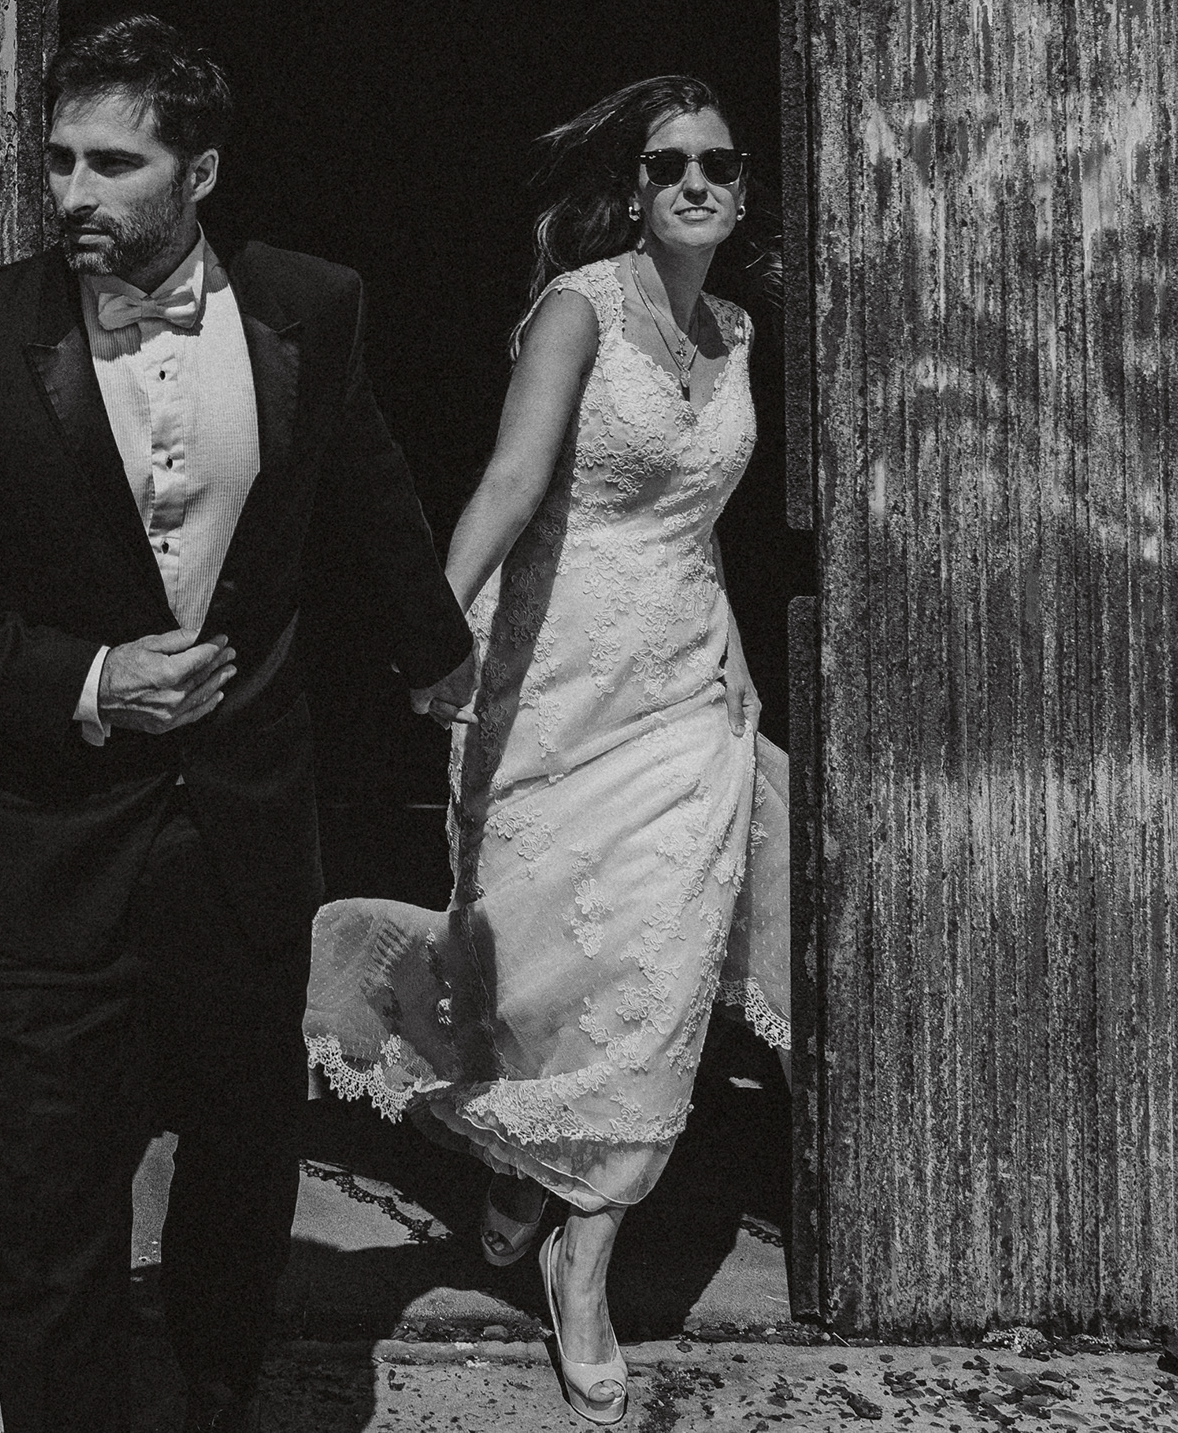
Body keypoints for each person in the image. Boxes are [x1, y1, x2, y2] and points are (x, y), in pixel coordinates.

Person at [0, 14, 475, 1433]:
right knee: (56, 1202)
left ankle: (214, 1389)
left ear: (201, 171)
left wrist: (442, 658)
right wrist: (85, 677)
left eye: (112, 163)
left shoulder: (311, 307)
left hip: (244, 836)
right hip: (43, 853)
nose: (72, 190)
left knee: (243, 1169)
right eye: (58, 158)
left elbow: (364, 486)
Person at [305, 77, 791, 1426]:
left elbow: (699, 522)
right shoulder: (581, 306)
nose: (695, 182)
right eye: (668, 164)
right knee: (537, 968)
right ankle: (525, 1159)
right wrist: (430, 632)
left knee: (659, 969)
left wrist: (740, 667)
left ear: (741, 187)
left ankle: (586, 1263)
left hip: (687, 687)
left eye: (718, 164)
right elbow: (514, 482)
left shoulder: (740, 329)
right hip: (555, 679)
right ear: (632, 189)